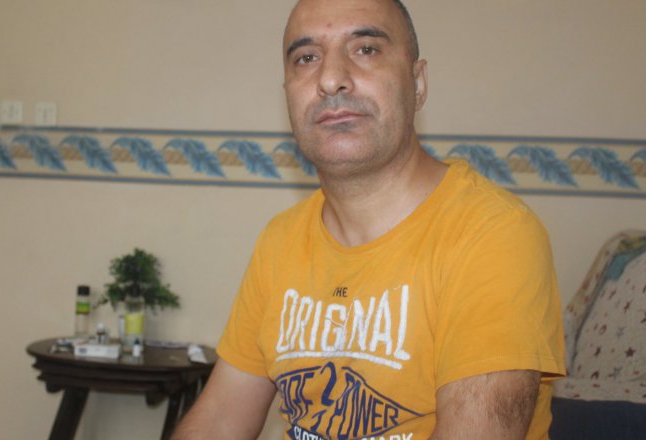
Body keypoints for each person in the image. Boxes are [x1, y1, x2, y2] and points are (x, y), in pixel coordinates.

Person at [172, 0, 565, 438]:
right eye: (306, 58)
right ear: (287, 93)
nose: (330, 79)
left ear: (418, 83)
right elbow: (220, 418)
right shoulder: (281, 238)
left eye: (366, 49)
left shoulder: (494, 234)